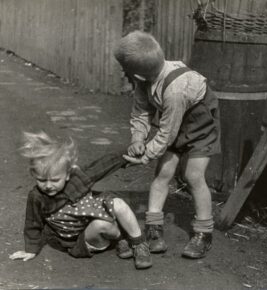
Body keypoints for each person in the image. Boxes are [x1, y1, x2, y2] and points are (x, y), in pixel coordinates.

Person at [114, 30, 221, 259]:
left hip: (198, 125)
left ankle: (204, 233)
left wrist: (144, 156)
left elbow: (165, 136)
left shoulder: (176, 91)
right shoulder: (144, 81)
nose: (124, 74)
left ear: (138, 76)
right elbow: (141, 111)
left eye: (125, 71)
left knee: (193, 176)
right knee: (163, 173)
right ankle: (154, 227)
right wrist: (137, 139)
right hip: (173, 123)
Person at [9, 132, 152, 269]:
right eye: (41, 180)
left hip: (93, 214)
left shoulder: (77, 178)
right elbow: (33, 223)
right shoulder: (37, 196)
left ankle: (138, 243)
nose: (48, 185)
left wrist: (128, 152)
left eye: (55, 180)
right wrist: (31, 249)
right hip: (81, 238)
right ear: (33, 175)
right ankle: (121, 237)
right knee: (102, 225)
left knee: (119, 204)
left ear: (67, 175)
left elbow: (103, 164)